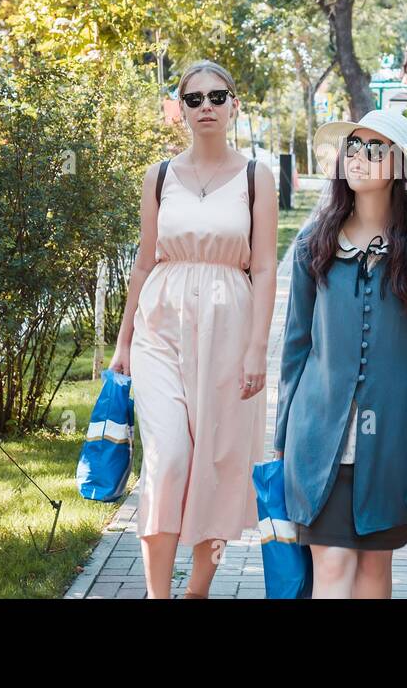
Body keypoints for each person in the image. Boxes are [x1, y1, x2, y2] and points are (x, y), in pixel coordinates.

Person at [274, 109, 407, 598]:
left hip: (394, 436)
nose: (360, 159)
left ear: (401, 166)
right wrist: (283, 432)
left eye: (375, 149)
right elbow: (296, 344)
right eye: (354, 148)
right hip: (319, 435)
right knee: (333, 569)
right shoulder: (314, 242)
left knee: (372, 572)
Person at [109, 60, 278, 599]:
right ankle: (159, 594)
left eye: (217, 96)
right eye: (194, 98)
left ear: (234, 105)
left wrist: (257, 349)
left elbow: (268, 267)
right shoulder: (158, 175)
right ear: (179, 109)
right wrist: (124, 340)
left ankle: (197, 591)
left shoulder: (257, 176)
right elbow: (142, 262)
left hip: (230, 329)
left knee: (219, 460)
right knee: (169, 457)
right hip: (161, 325)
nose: (206, 106)